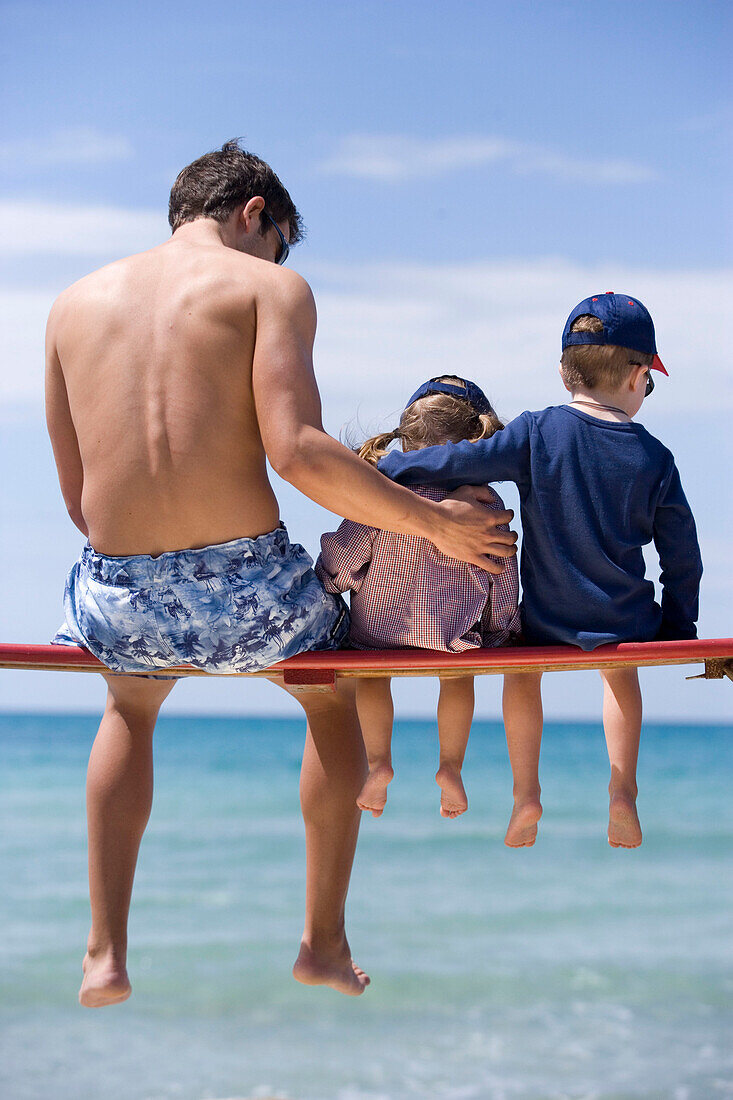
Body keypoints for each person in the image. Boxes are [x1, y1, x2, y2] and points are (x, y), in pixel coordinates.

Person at [44, 140, 518, 1006]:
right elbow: (297, 452)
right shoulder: (269, 288)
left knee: (128, 705)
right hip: (251, 596)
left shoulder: (71, 304)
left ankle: (104, 952)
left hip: (118, 598)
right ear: (256, 213)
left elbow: (78, 498)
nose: (277, 261)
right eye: (278, 241)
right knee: (329, 689)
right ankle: (322, 942)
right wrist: (437, 528)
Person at [378, 293, 703, 850]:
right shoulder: (656, 458)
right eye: (649, 383)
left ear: (563, 372)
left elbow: (461, 460)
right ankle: (622, 790)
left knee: (521, 669)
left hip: (546, 622)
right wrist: (678, 629)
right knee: (621, 674)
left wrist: (394, 466)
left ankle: (526, 792)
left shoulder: (537, 433)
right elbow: (683, 557)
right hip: (627, 622)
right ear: (636, 377)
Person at [315, 376, 521, 818]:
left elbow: (344, 555)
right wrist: (501, 630)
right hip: (452, 637)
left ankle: (378, 763)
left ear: (404, 446)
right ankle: (450, 767)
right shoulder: (487, 504)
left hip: (378, 634)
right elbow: (501, 574)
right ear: (476, 445)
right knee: (458, 679)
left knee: (370, 679)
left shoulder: (381, 499)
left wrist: (330, 582)